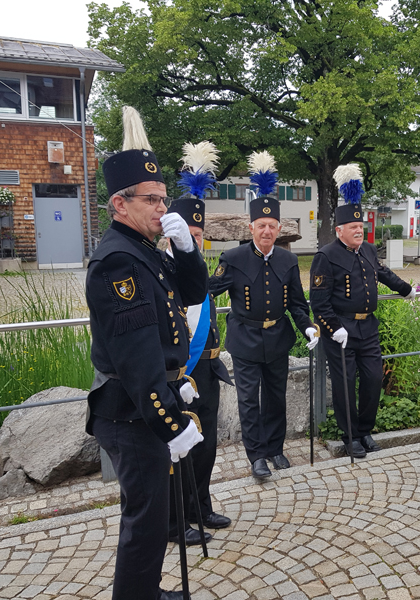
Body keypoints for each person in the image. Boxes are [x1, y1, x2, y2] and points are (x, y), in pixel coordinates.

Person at [85, 107, 206, 600]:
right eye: (152, 200)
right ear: (120, 202)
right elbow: (137, 360)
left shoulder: (145, 248)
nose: (162, 208)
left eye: (163, 198)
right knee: (145, 521)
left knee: (155, 519)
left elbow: (195, 294)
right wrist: (170, 423)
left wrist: (187, 250)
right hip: (133, 414)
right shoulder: (119, 260)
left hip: (146, 409)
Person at [208, 151, 318, 479]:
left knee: (275, 398)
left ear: (279, 228)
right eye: (261, 225)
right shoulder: (234, 257)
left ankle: (275, 449)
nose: (266, 231)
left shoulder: (287, 261)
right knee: (249, 402)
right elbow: (209, 289)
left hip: (277, 338)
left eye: (272, 226)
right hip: (244, 340)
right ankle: (256, 455)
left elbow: (297, 303)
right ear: (251, 226)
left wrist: (308, 327)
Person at [310, 164, 416, 458]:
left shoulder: (368, 250)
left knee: (372, 379)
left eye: (361, 227)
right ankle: (351, 436)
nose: (359, 231)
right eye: (353, 228)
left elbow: (382, 274)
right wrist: (334, 327)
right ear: (340, 230)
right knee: (345, 384)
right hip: (340, 330)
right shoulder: (325, 256)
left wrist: (405, 289)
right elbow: (318, 301)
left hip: (368, 328)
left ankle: (366, 429)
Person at [165, 194, 234, 545]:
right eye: (187, 234)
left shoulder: (198, 266)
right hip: (181, 374)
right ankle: (175, 519)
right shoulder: (163, 268)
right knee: (179, 449)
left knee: (205, 446)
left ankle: (200, 507)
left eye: (197, 234)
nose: (194, 241)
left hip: (207, 371)